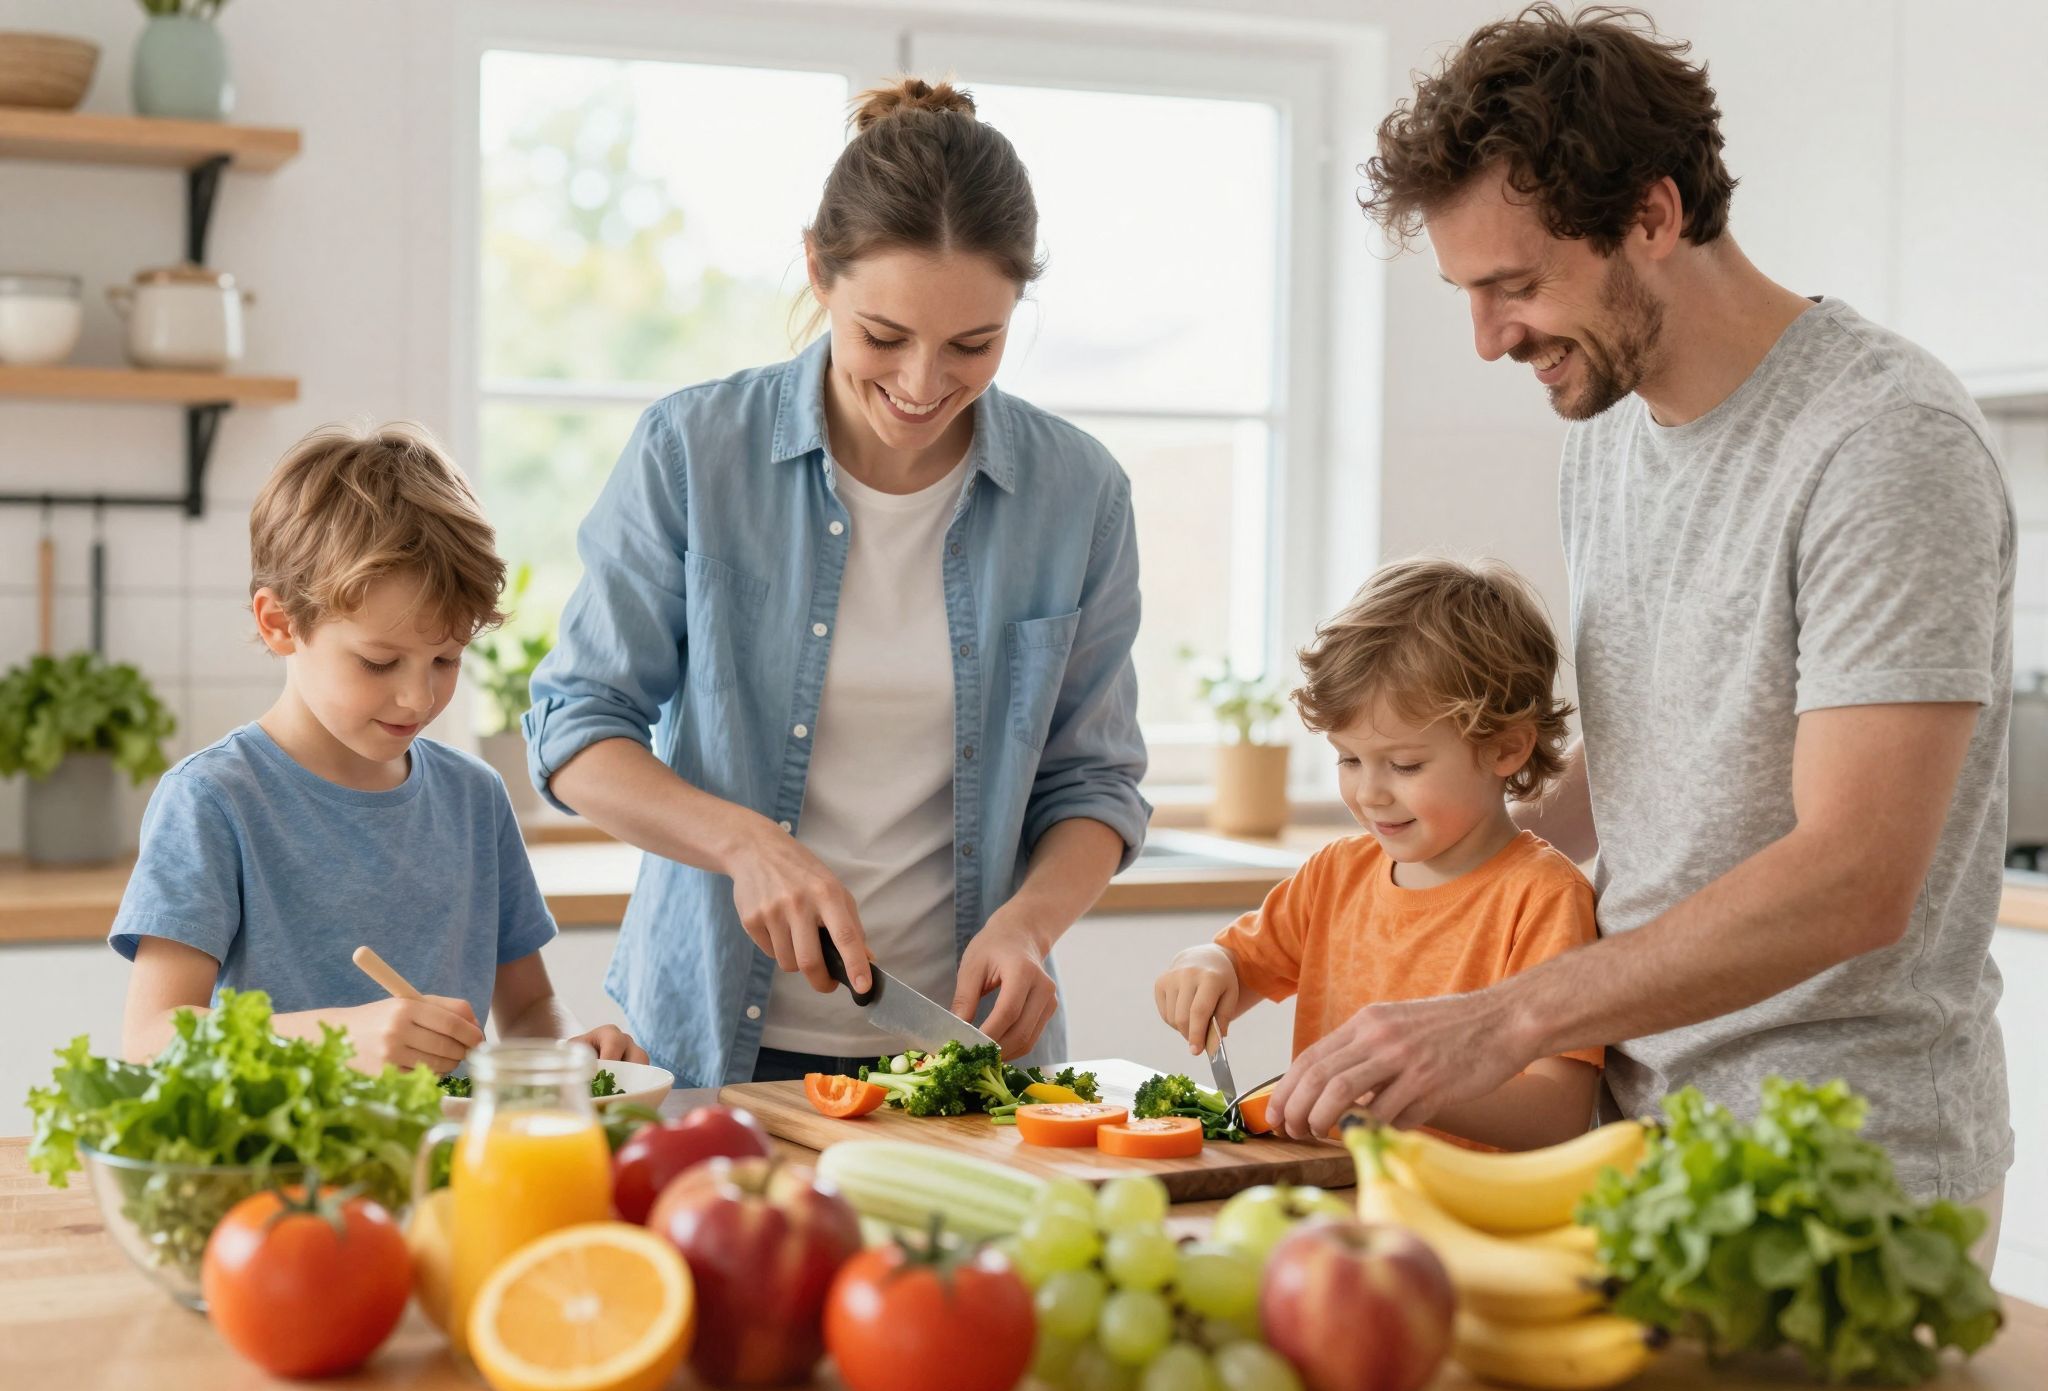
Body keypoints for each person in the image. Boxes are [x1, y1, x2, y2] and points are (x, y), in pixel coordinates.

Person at [1270, 7, 2013, 1250]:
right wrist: (1442, 889)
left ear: (1653, 218)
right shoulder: (1608, 431)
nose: (1489, 337)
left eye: (1514, 285)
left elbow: (1856, 877)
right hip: (1631, 1140)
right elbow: (1634, 777)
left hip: (1843, 1170)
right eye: (1467, 292)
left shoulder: (1882, 445)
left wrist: (1503, 1017)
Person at [524, 79, 1149, 1086]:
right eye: (884, 337)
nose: (920, 385)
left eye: (972, 345)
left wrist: (1031, 924)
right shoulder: (693, 452)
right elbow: (575, 732)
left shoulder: (1077, 495)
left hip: (965, 1067)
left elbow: (1093, 781)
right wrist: (743, 846)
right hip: (710, 1052)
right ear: (818, 269)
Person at [112, 422, 645, 1072]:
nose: (417, 699)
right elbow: (151, 1038)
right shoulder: (213, 800)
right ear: (279, 623)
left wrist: (570, 1050)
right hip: (282, 1170)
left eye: (446, 659)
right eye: (379, 662)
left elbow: (530, 1009)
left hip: (446, 1164)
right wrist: (339, 1039)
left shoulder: (474, 798)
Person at [1156, 557, 1601, 1150]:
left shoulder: (1544, 898)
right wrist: (1204, 966)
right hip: (1328, 1204)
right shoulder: (1334, 875)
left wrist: (1412, 1092)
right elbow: (1236, 967)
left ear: (1507, 749)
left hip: (1465, 1220)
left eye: (1406, 765)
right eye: (1348, 760)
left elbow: (1558, 1114)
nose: (1369, 793)